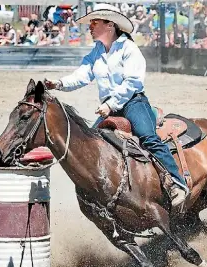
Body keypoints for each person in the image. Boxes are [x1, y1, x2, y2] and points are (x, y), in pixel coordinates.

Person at [44, 3, 189, 216]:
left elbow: (133, 83)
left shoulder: (129, 48)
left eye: (95, 22)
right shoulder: (97, 51)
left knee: (148, 137)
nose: (90, 27)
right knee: (90, 142)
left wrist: (111, 104)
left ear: (110, 25)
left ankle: (177, 184)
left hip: (132, 102)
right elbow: (82, 75)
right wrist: (59, 83)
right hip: (109, 107)